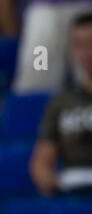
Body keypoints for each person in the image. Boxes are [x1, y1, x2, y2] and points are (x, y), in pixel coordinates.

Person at [30, 12, 92, 196]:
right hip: (74, 185)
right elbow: (41, 163)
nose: (87, 52)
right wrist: (50, 182)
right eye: (80, 44)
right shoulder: (61, 103)